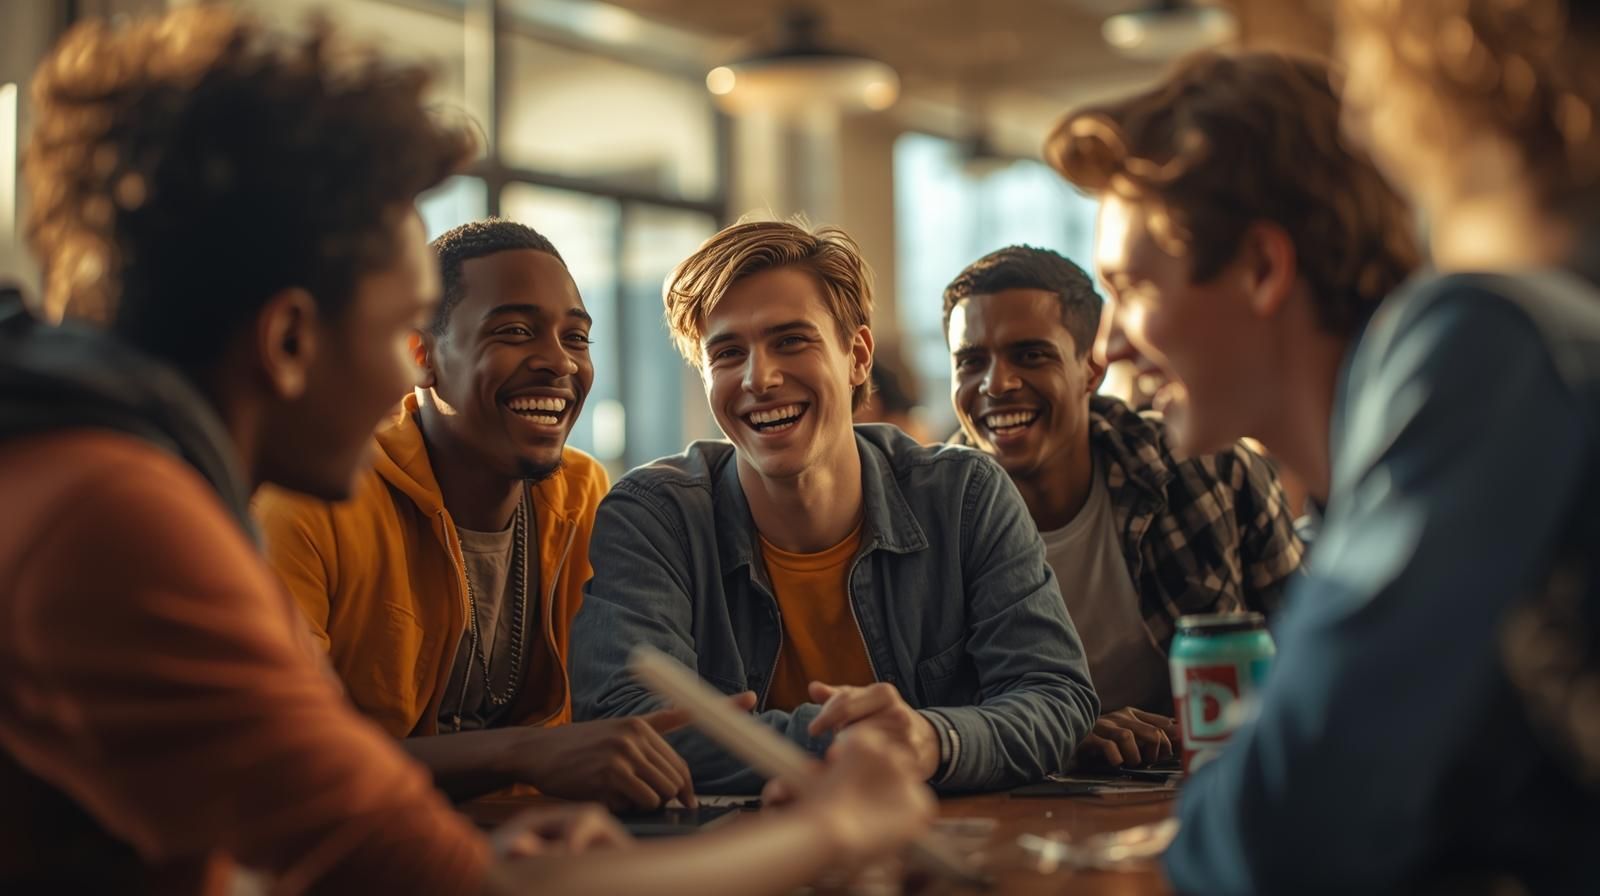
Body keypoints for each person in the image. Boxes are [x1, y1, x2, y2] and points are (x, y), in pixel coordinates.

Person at [0, 9, 932, 894]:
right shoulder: (115, 522)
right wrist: (834, 826)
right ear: (290, 340)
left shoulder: (114, 475)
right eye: (403, 325)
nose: (400, 384)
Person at [1054, 36, 1600, 892]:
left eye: (1131, 288)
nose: (1106, 345)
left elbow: (1280, 826)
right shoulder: (1362, 484)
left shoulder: (1468, 345)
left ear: (1263, 268)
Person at [570, 220, 1099, 793]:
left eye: (791, 340)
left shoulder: (965, 497)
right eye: (726, 353)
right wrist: (853, 742)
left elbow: (1056, 696)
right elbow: (625, 723)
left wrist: (931, 739)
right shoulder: (655, 517)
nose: (760, 377)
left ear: (858, 356)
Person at [256, 219, 700, 811]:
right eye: (515, 331)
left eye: (576, 338)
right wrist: (523, 753)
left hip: (530, 843)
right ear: (421, 356)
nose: (559, 363)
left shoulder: (583, 493)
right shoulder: (313, 502)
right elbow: (281, 758)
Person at [942, 245, 1304, 768]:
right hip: (1013, 804)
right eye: (971, 361)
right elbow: (923, 715)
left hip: (1209, 790)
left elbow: (1314, 661)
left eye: (1030, 354)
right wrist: (1056, 730)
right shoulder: (925, 518)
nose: (996, 384)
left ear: (1092, 367)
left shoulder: (1211, 471)